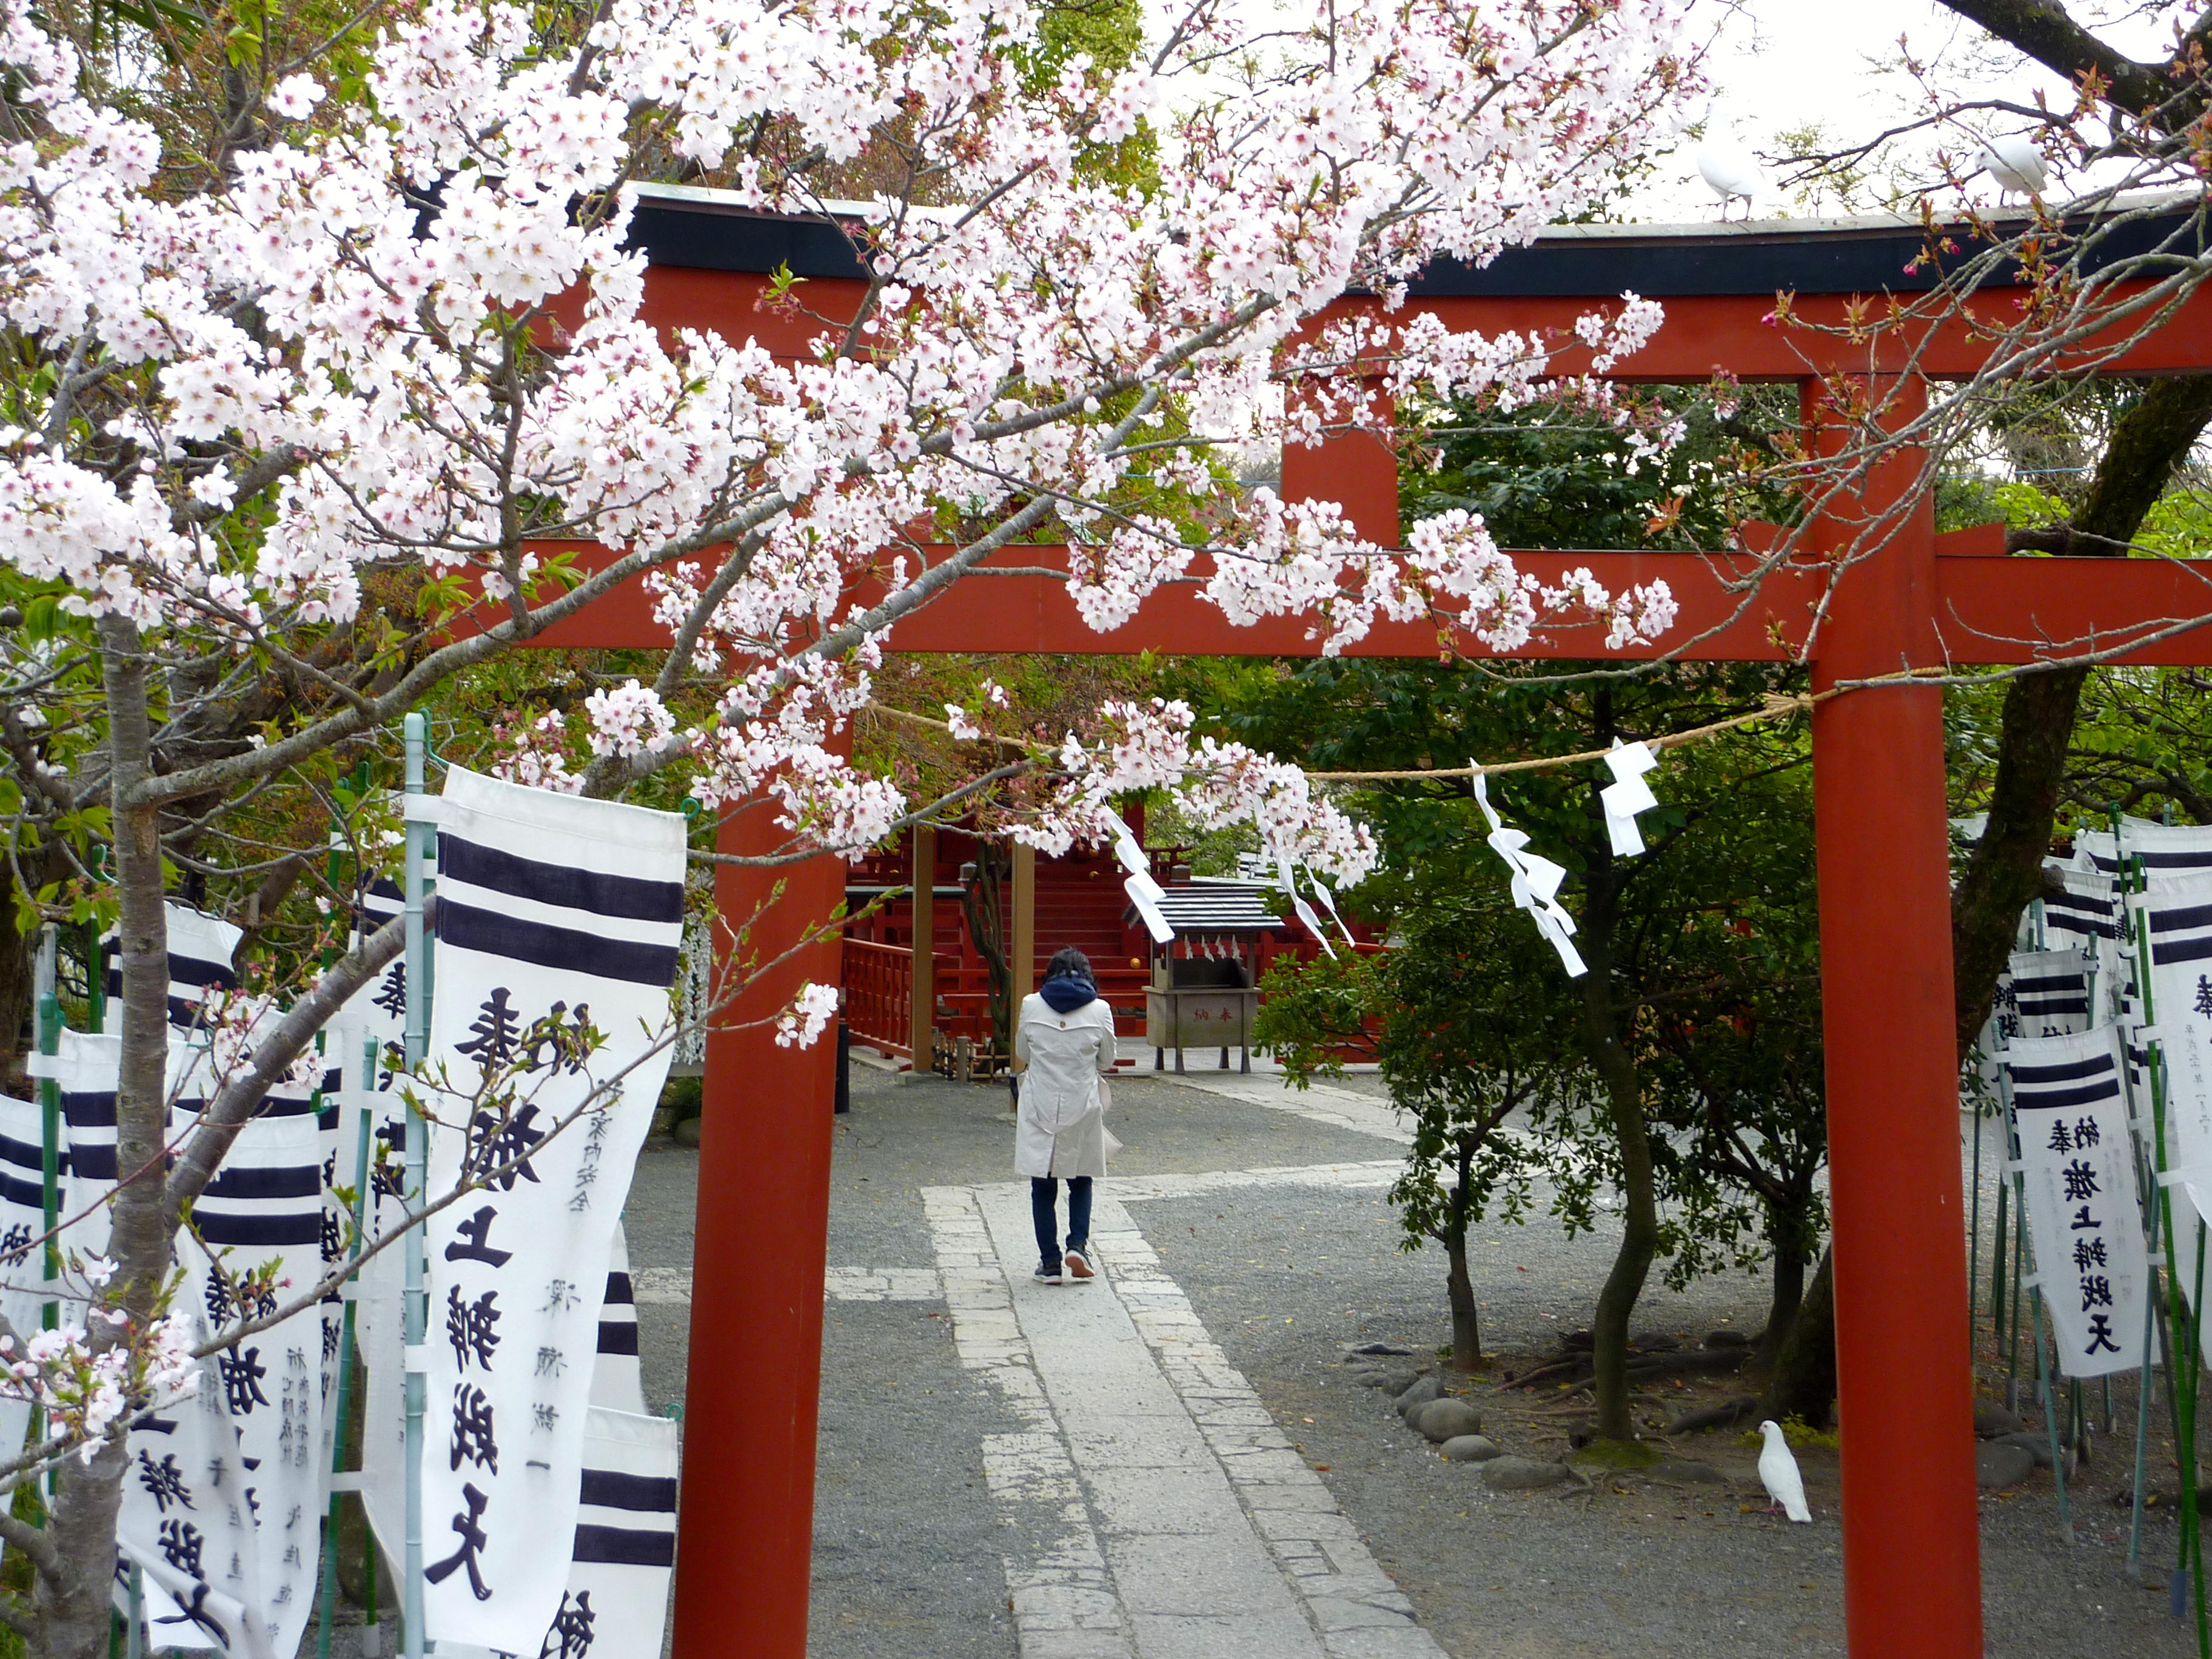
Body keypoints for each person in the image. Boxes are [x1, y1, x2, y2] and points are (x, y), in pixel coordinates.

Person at [1013, 945, 1118, 1285]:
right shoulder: (1100, 1010)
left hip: (1040, 1102)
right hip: (1081, 1102)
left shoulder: (1031, 1004)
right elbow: (1106, 1061)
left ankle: (1050, 1263)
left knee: (1042, 1185)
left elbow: (1022, 1052)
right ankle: (1078, 1246)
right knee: (1081, 1178)